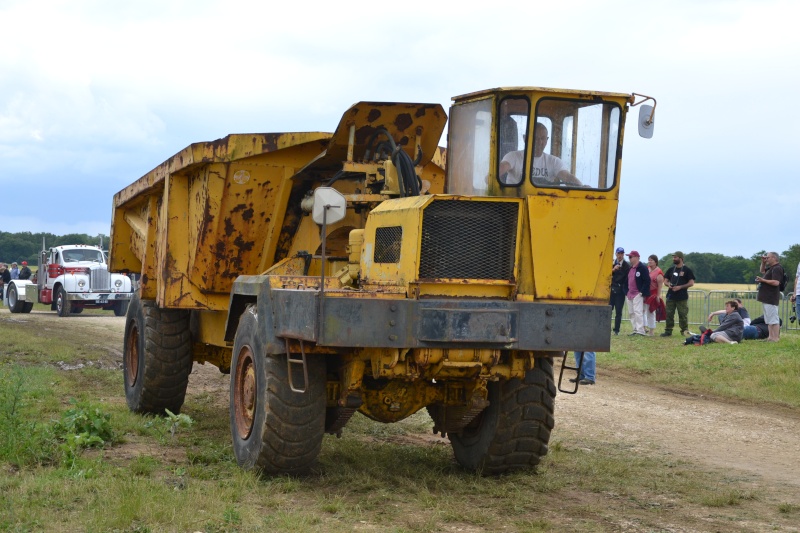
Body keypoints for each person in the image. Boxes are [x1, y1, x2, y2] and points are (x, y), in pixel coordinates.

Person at [499, 123, 582, 186]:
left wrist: (581, 187)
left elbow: (567, 177)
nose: (539, 142)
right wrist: (491, 178)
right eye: (535, 138)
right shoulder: (513, 157)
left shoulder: (554, 161)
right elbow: (500, 170)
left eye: (542, 138)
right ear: (525, 138)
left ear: (547, 140)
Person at [661, 251, 696, 337]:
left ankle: (684, 331)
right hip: (671, 296)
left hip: (682, 297)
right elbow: (665, 280)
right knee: (669, 314)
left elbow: (691, 283)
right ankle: (668, 331)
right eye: (673, 257)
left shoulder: (687, 270)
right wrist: (669, 285)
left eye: (675, 257)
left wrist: (680, 287)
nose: (674, 259)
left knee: (682, 314)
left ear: (681, 258)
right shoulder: (671, 269)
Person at [755, 251, 784, 342]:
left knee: (773, 319)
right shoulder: (772, 268)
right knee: (768, 319)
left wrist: (763, 280)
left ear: (774, 258)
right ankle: (770, 337)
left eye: (768, 257)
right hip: (767, 298)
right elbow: (762, 271)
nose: (766, 259)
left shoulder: (777, 268)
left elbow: (776, 282)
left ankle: (775, 338)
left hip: (771, 297)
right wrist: (763, 263)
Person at [624, 250, 650, 336]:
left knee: (638, 312)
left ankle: (640, 330)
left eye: (631, 257)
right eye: (629, 257)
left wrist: (642, 292)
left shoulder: (642, 268)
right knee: (631, 312)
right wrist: (626, 292)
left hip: (637, 293)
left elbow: (647, 281)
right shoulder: (630, 268)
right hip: (630, 294)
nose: (629, 259)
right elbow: (626, 281)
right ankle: (635, 329)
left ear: (636, 257)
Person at [609, 247, 630, 335]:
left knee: (618, 311)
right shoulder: (611, 263)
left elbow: (626, 278)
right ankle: (606, 328)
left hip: (620, 292)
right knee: (608, 310)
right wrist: (613, 270)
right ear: (616, 254)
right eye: (618, 253)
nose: (620, 255)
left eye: (621, 254)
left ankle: (616, 330)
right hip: (611, 290)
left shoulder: (626, 265)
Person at [644, 254, 664, 336]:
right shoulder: (647, 269)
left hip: (653, 293)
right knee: (642, 311)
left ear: (655, 262)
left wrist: (658, 296)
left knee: (650, 311)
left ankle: (651, 330)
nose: (649, 261)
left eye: (651, 260)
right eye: (649, 260)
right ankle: (643, 328)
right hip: (646, 292)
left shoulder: (659, 272)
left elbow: (660, 286)